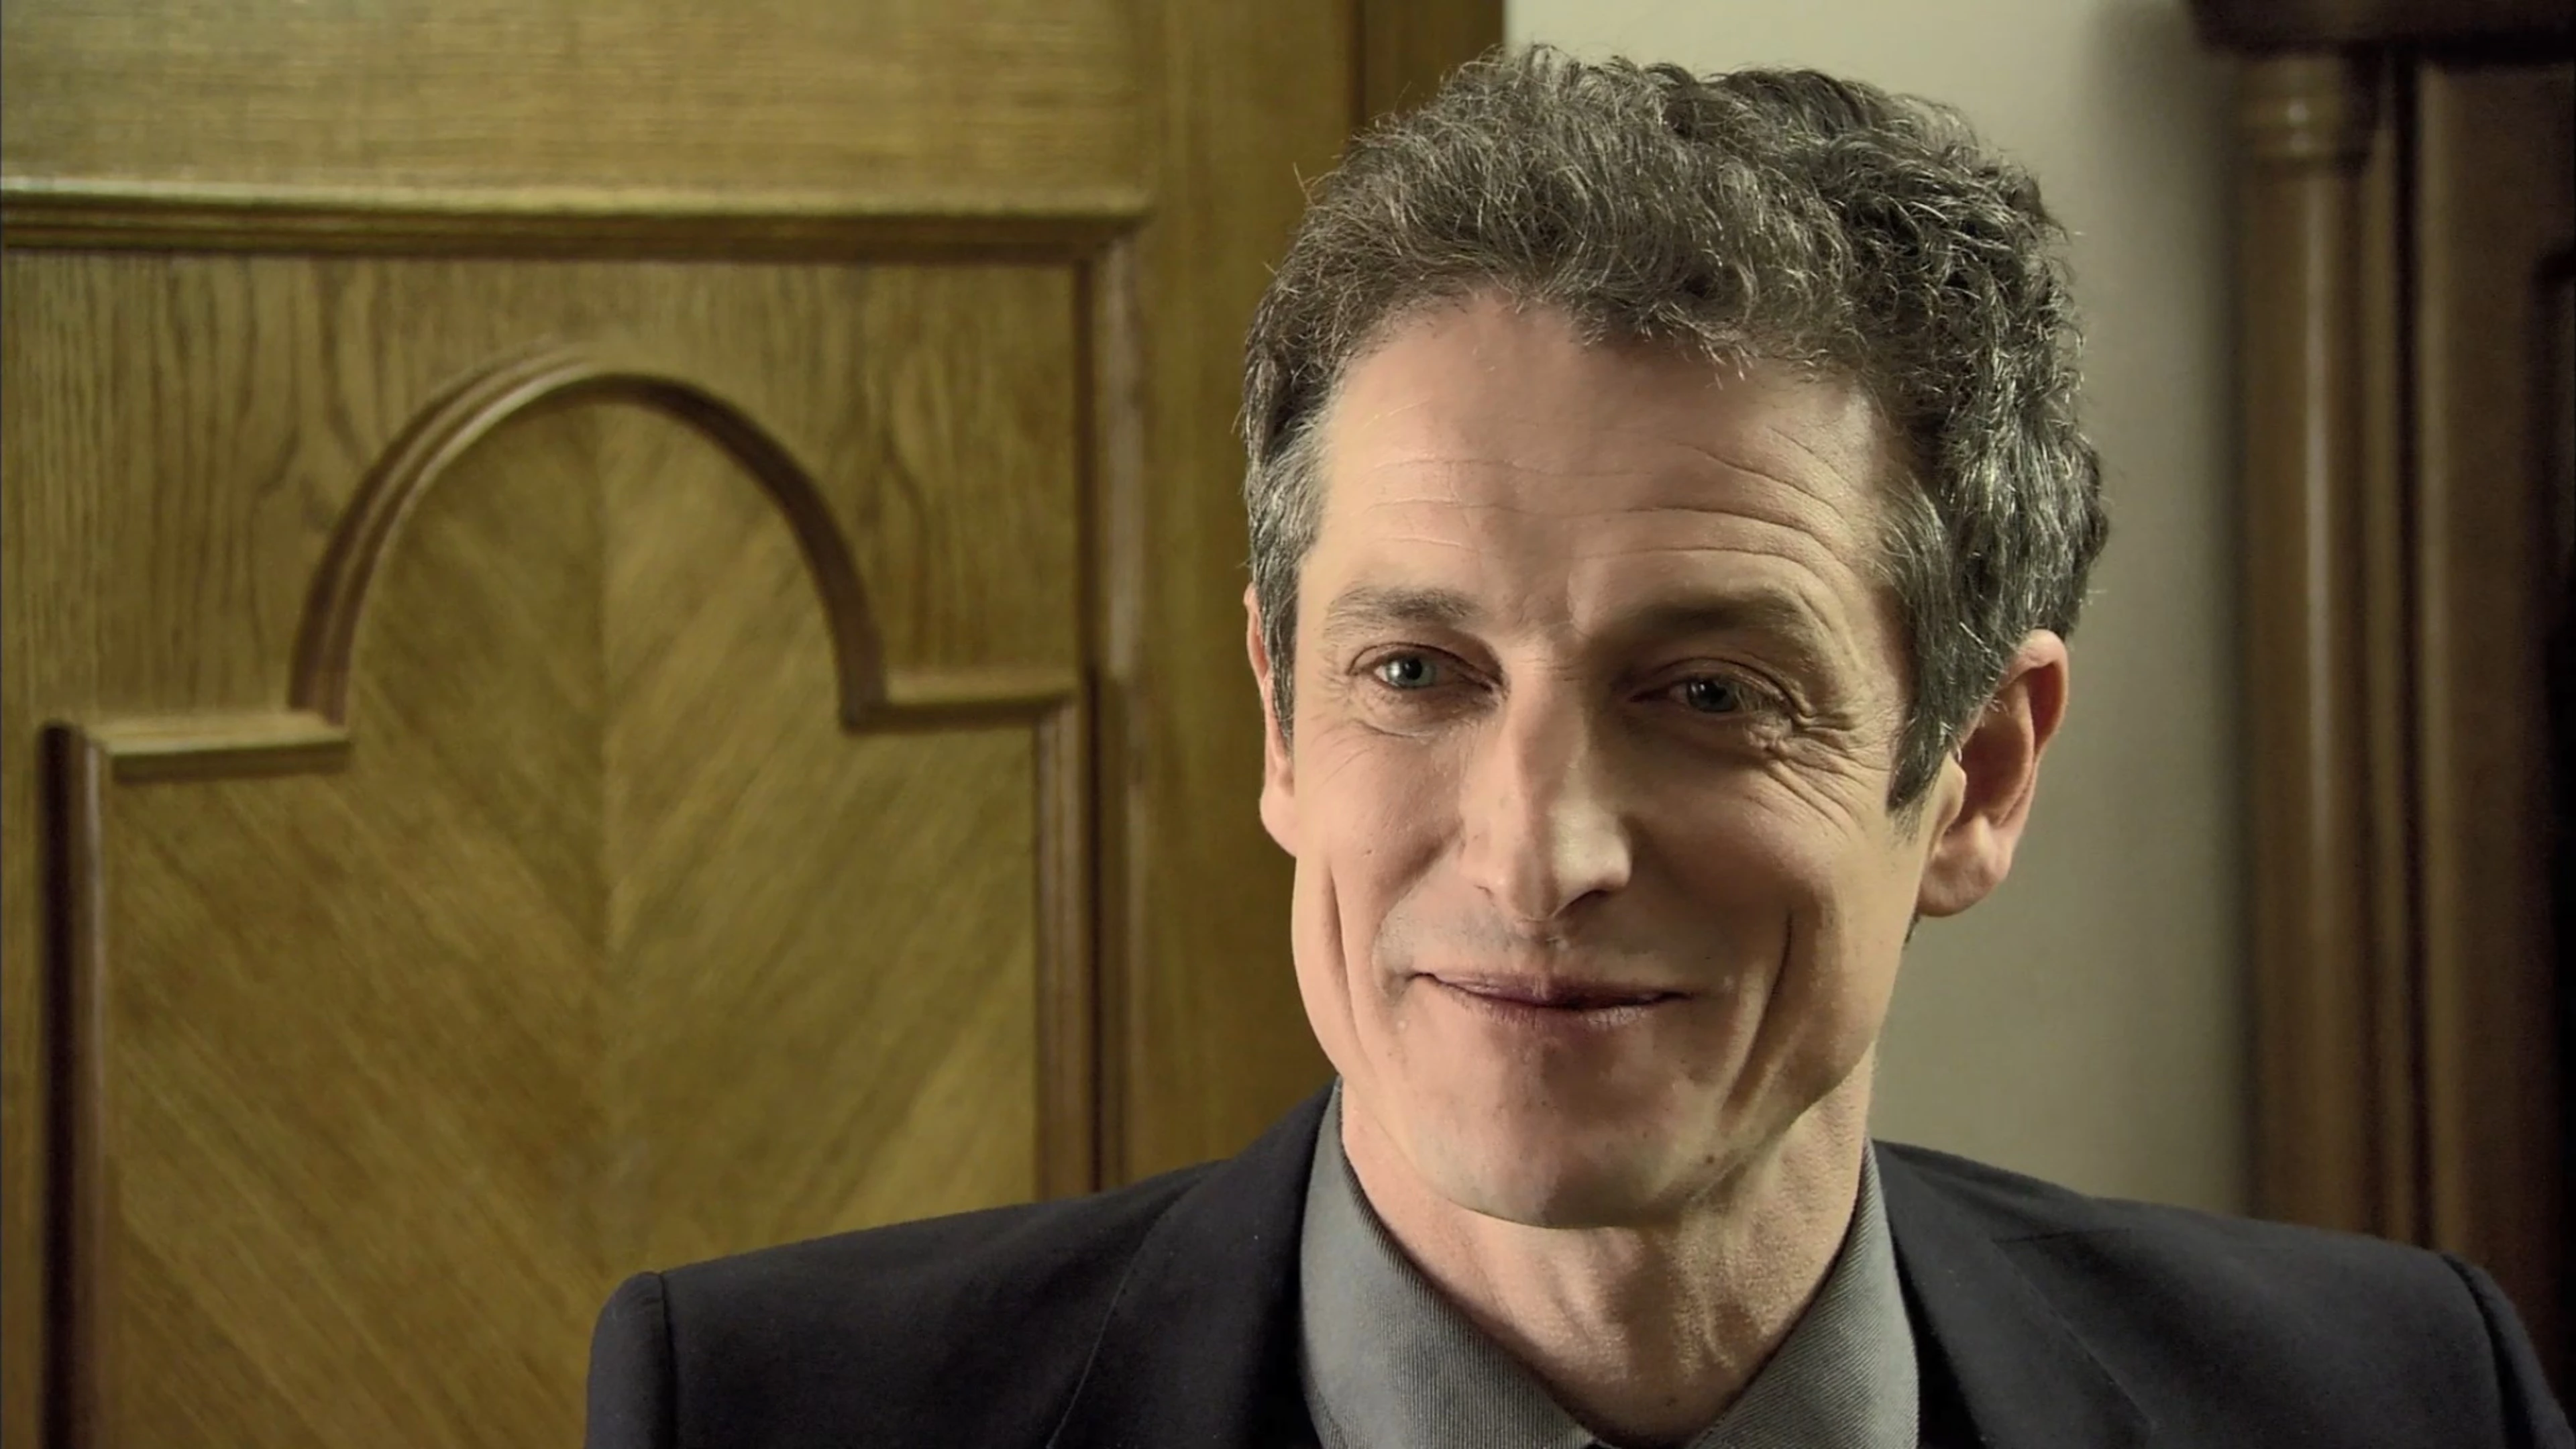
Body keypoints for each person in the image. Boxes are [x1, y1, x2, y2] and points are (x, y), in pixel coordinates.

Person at [582, 48, 2571, 1448]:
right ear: (1280, 717)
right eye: (1419, 671)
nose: (1536, 852)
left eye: (1706, 694)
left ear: (1974, 774)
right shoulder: (762, 1412)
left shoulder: (2397, 1402)